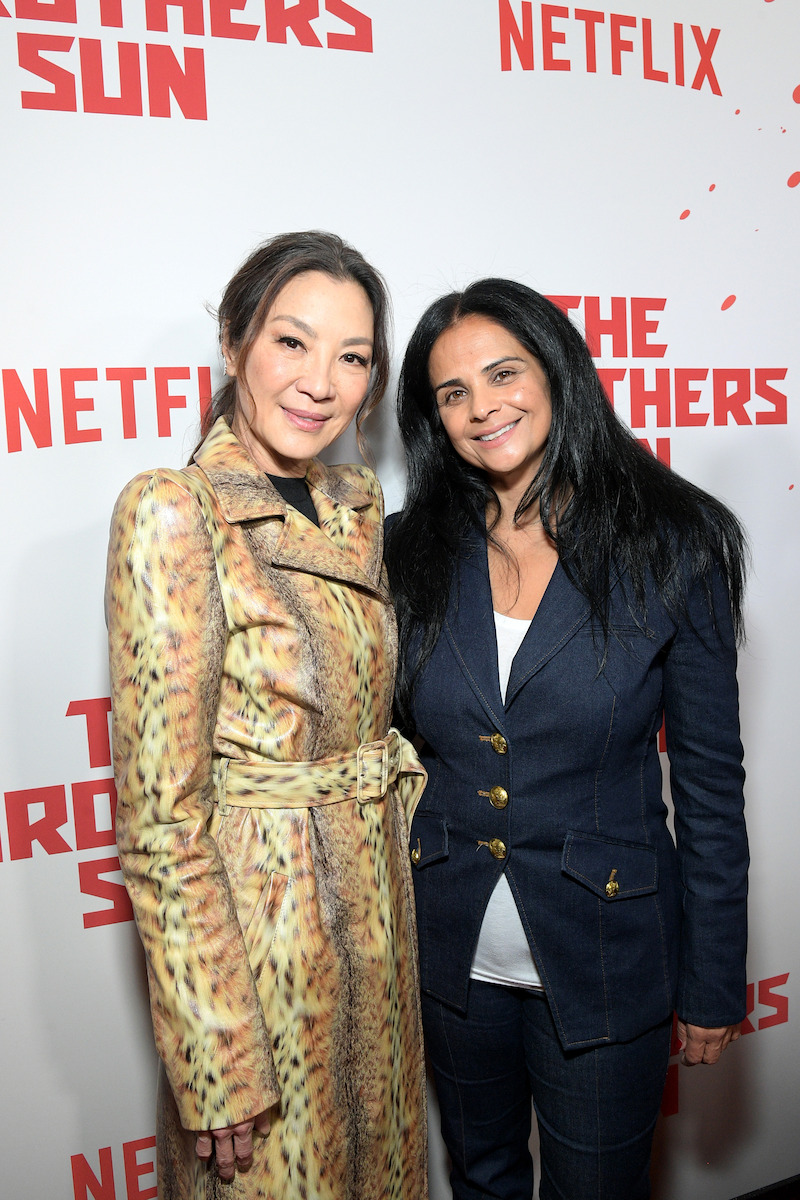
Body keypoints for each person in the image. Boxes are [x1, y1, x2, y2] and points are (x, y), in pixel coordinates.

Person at [384, 279, 748, 1200]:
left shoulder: (675, 542)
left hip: (608, 955)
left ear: (557, 371)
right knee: (482, 1181)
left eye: (502, 374)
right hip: (448, 955)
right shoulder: (405, 549)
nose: (481, 408)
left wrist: (712, 983)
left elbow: (709, 789)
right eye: (451, 393)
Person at [106, 231, 428, 1200]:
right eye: (291, 342)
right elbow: (162, 819)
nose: (320, 381)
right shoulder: (174, 509)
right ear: (232, 343)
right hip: (262, 964)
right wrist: (215, 1058)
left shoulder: (356, 505)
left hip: (380, 945)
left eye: (352, 356)